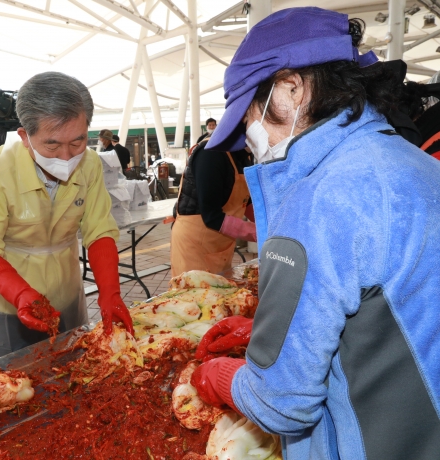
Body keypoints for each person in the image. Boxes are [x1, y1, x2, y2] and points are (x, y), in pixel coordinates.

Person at [189, 8, 440, 459]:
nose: (249, 134)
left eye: (249, 112)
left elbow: (281, 403)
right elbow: (392, 309)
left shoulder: (320, 196)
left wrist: (218, 377)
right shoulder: (411, 162)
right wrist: (271, 331)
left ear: (291, 87)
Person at [0, 72, 133, 361]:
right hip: (8, 300)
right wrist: (20, 294)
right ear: (25, 137)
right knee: (13, 384)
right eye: (52, 145)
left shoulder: (89, 165)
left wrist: (110, 292)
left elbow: (99, 230)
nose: (66, 157)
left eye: (77, 143)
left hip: (65, 290)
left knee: (74, 369)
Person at [170, 139, 255, 276]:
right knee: (194, 294)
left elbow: (246, 200)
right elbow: (211, 216)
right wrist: (259, 233)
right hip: (195, 244)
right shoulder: (211, 153)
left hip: (220, 244)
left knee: (221, 294)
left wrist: (270, 225)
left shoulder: (244, 154)